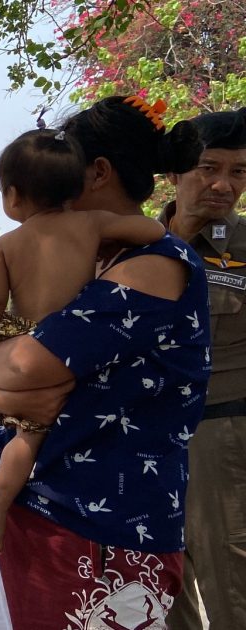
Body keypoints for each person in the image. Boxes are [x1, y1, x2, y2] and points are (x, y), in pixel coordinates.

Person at [0, 95, 210, 629]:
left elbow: (23, 366)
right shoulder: (100, 258)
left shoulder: (154, 265)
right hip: (51, 515)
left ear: (97, 172)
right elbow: (14, 368)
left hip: (100, 530)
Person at [0, 127, 167, 551]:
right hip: (61, 342)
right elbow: (153, 231)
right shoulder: (92, 223)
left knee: (1, 409)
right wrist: (110, 236)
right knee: (31, 432)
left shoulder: (8, 243)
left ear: (13, 196)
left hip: (18, 335)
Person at [162, 107, 246, 630]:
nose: (224, 185)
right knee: (157, 593)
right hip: (145, 439)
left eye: (239, 172)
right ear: (174, 173)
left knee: (231, 585)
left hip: (222, 435)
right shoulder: (132, 243)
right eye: (209, 168)